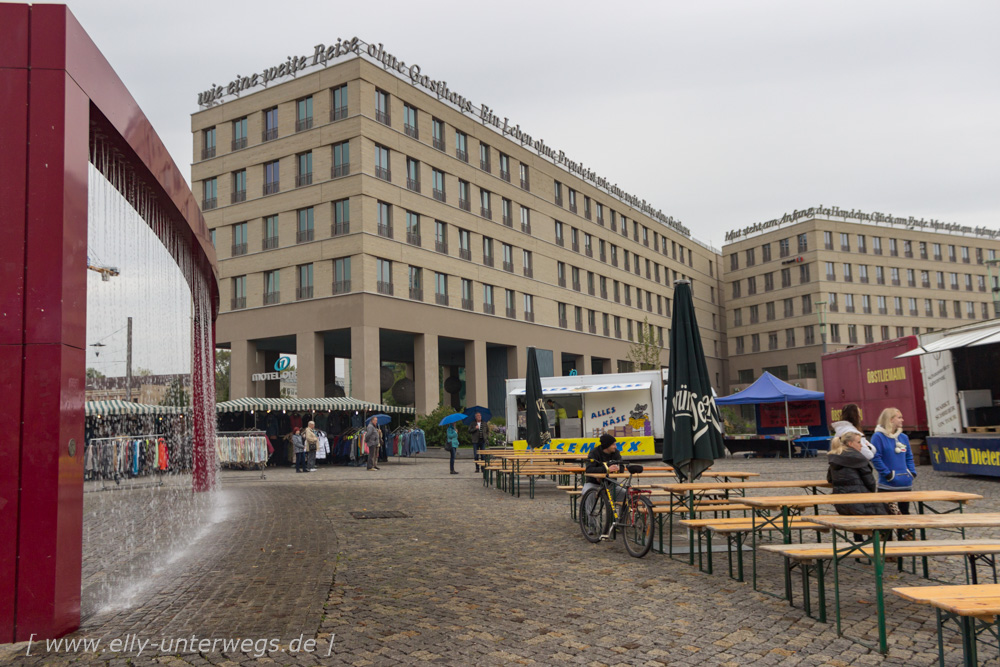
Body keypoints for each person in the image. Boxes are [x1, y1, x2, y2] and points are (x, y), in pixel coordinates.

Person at [827, 432, 887, 516]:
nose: (861, 445)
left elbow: (830, 479)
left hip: (841, 506)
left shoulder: (835, 458)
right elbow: (871, 483)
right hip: (862, 504)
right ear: (850, 443)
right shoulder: (859, 458)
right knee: (887, 511)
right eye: (858, 442)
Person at [870, 407, 916, 514]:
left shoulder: (903, 437)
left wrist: (912, 472)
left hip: (905, 484)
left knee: (904, 514)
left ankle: (904, 531)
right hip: (888, 485)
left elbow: (909, 456)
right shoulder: (878, 437)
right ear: (891, 420)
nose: (902, 420)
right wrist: (888, 474)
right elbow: (876, 458)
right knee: (888, 516)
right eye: (899, 417)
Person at [582, 433, 622, 498]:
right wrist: (607, 469)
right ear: (607, 446)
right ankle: (588, 508)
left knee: (626, 494)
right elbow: (589, 469)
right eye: (613, 444)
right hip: (593, 484)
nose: (615, 446)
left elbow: (621, 467)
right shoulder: (594, 453)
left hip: (611, 484)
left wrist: (618, 468)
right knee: (588, 494)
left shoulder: (616, 453)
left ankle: (623, 508)